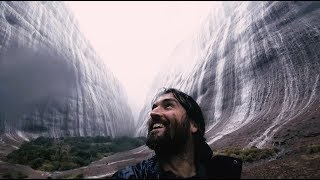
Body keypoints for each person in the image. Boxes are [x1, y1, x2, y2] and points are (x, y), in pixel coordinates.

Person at [112, 88, 242, 179]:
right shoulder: (131, 176)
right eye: (154, 108)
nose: (153, 113)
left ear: (193, 125)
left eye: (168, 106)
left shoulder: (221, 172)